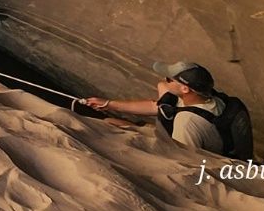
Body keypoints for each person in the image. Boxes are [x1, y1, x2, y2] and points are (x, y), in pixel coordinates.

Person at [81, 62, 243, 155]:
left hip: (183, 148)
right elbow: (156, 106)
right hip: (214, 136)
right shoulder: (209, 98)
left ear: (185, 89)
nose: (163, 80)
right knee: (114, 119)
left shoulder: (186, 124)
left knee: (110, 122)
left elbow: (183, 159)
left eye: (169, 79)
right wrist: (108, 104)